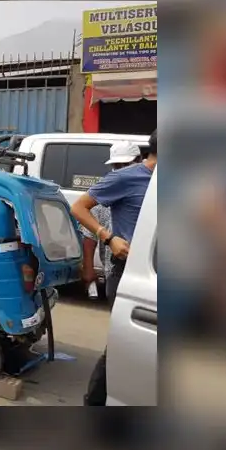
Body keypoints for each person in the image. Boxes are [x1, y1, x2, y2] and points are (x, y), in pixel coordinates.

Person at [71, 130, 157, 406]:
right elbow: (79, 208)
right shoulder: (126, 179)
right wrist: (108, 237)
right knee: (123, 347)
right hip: (128, 274)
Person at [79, 141, 142, 300]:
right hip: (115, 270)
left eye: (127, 164)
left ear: (139, 160)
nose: (122, 169)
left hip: (143, 270)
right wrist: (88, 268)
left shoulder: (148, 187)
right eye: (117, 166)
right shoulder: (105, 189)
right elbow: (89, 236)